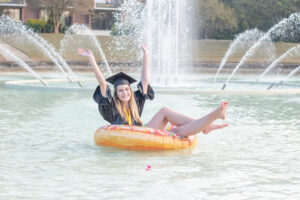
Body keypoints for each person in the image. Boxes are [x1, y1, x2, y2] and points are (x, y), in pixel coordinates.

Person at [77, 45, 228, 137]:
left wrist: (146, 55)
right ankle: (211, 119)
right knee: (177, 130)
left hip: (141, 132)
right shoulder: (111, 107)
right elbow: (103, 84)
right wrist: (91, 59)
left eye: (127, 89)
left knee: (165, 112)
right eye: (121, 91)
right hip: (127, 134)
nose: (125, 93)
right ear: (115, 93)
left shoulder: (135, 101)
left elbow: (144, 81)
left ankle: (208, 123)